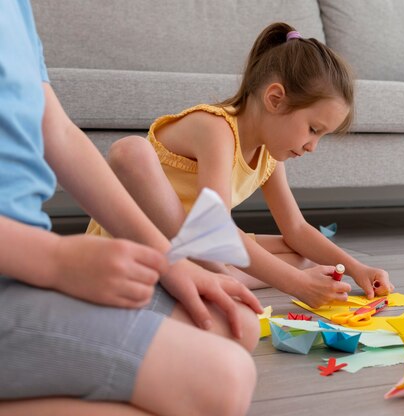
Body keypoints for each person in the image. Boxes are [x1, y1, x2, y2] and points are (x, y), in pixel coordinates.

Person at [0, 1, 263, 415]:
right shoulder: (217, 129)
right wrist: (54, 260)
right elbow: (216, 228)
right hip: (22, 263)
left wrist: (170, 262)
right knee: (224, 379)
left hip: (21, 261)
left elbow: (61, 135)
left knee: (234, 323)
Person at [86, 22, 395, 309]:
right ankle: (218, 274)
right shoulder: (215, 128)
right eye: (313, 129)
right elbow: (213, 226)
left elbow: (296, 228)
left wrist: (357, 268)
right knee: (134, 151)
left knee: (300, 254)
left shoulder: (269, 153)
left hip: (195, 246)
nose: (312, 146)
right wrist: (297, 285)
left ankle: (221, 275)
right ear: (275, 99)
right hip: (136, 239)